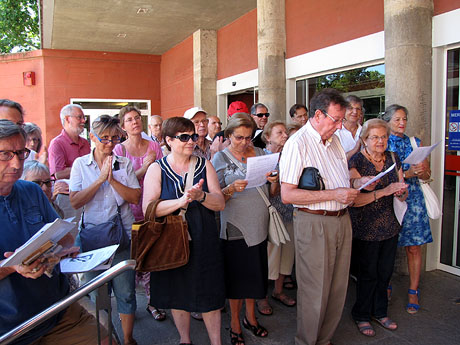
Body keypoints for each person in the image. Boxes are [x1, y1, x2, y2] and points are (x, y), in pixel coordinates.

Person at [0, 120, 107, 345]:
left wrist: (59, 252)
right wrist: (12, 267)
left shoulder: (31, 191)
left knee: (103, 339)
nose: (17, 163)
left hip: (57, 311)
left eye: (21, 153)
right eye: (5, 154)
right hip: (10, 329)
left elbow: (62, 235)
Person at [279, 88, 359, 345]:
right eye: (336, 120)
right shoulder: (297, 143)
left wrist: (357, 183)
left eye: (342, 120)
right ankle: (307, 341)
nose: (339, 126)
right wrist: (335, 193)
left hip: (342, 219)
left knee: (337, 289)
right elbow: (287, 195)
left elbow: (340, 178)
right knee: (315, 291)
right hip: (314, 222)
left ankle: (323, 340)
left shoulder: (334, 140)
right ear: (317, 114)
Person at [143, 117, 225, 345]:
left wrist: (202, 196)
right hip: (172, 240)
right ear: (168, 140)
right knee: (178, 295)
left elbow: (220, 203)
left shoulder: (204, 164)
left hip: (203, 237)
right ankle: (185, 340)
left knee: (209, 293)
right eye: (184, 137)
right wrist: (181, 202)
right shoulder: (156, 169)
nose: (191, 141)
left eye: (194, 136)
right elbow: (149, 209)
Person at [69, 115, 140, 345]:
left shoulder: (124, 163)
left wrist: (113, 181)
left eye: (114, 138)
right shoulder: (81, 164)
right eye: (104, 138)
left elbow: (135, 197)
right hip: (92, 238)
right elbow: (75, 201)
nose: (110, 143)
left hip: (121, 237)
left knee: (126, 292)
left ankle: (128, 339)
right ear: (92, 137)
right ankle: (106, 338)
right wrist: (100, 179)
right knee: (96, 295)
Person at [212, 114, 278, 345]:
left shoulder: (260, 154)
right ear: (228, 135)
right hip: (235, 226)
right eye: (238, 137)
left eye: (248, 138)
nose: (244, 142)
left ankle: (251, 318)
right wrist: (230, 188)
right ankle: (235, 324)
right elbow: (215, 199)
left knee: (255, 276)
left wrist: (273, 180)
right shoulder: (219, 158)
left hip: (259, 223)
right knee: (236, 279)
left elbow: (272, 193)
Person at [348, 119, 408, 336]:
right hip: (366, 227)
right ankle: (362, 314)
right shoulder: (356, 162)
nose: (380, 141)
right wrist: (384, 191)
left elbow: (401, 187)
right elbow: (354, 201)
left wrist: (401, 192)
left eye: (384, 136)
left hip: (390, 224)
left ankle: (380, 311)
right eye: (375, 137)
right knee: (367, 274)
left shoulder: (393, 157)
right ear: (364, 139)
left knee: (385, 272)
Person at [113, 106, 165, 321]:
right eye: (129, 120)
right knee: (132, 262)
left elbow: (163, 173)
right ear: (123, 126)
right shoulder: (119, 151)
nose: (134, 122)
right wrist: (145, 168)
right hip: (128, 214)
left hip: (151, 209)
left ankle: (153, 303)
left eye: (137, 118)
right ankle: (129, 307)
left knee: (152, 260)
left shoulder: (154, 146)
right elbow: (121, 183)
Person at [382, 104, 433, 315]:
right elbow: (383, 177)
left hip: (414, 202)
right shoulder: (382, 143)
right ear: (387, 121)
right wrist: (409, 173)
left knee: (414, 247)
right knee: (387, 249)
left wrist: (421, 172)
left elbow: (427, 175)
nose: (402, 123)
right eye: (397, 119)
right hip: (391, 199)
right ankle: (384, 286)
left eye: (404, 119)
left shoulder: (415, 143)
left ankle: (413, 290)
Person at [262, 121, 296, 310]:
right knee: (271, 255)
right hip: (271, 213)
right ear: (268, 137)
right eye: (279, 132)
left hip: (289, 211)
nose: (284, 135)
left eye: (285, 132)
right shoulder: (264, 158)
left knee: (287, 254)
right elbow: (270, 192)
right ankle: (263, 297)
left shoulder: (288, 156)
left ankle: (278, 290)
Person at [48, 104, 90, 218]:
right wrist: (83, 167)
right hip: (67, 196)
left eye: (83, 117)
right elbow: (59, 173)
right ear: (67, 119)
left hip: (87, 194)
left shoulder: (85, 143)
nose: (83, 121)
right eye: (79, 117)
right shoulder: (57, 143)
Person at [336, 95, 364, 160]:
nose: (354, 112)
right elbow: (337, 161)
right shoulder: (336, 132)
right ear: (343, 110)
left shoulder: (365, 131)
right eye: (350, 108)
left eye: (358, 109)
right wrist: (356, 148)